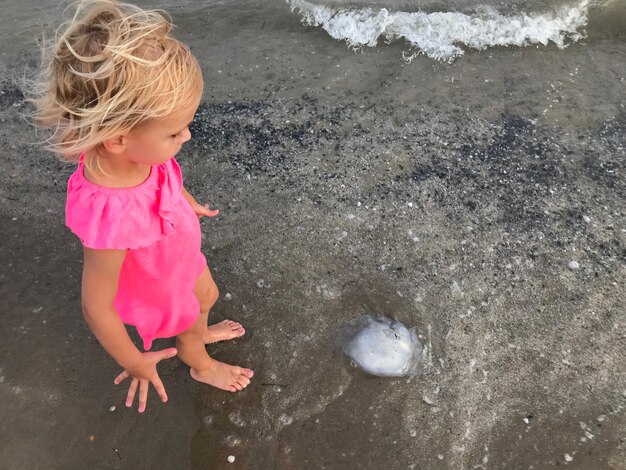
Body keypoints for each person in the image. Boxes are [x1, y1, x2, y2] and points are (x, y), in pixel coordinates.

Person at [32, 0, 253, 412]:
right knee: (187, 317)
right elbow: (95, 303)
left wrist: (187, 203)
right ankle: (198, 361)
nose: (185, 138)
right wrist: (133, 360)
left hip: (180, 251)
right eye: (174, 132)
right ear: (116, 138)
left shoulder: (138, 153)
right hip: (160, 280)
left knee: (207, 294)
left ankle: (199, 331)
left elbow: (165, 181)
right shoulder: (110, 213)